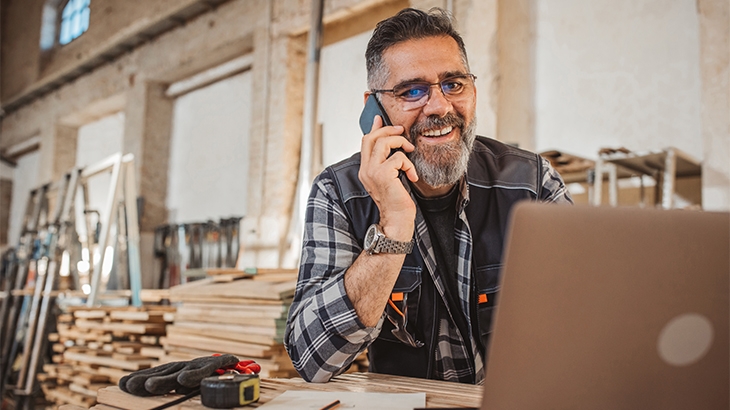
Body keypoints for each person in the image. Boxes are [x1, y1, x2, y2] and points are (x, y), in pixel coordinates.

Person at [284, 7, 572, 384]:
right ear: (374, 108)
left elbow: (583, 323)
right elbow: (312, 358)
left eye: (454, 84)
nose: (440, 107)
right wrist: (393, 227)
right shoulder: (338, 192)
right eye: (412, 91)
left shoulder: (532, 183)